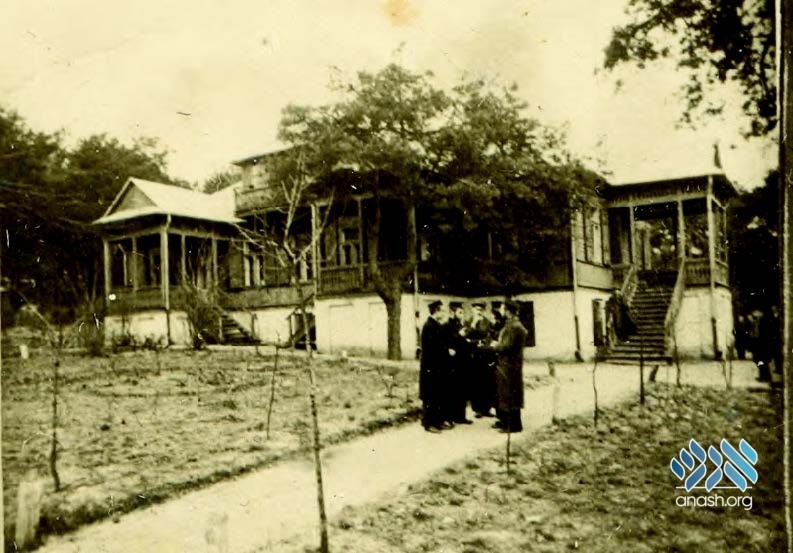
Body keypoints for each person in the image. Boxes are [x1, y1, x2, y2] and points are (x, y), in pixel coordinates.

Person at [488, 299, 528, 433]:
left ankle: (514, 426)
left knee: (510, 394)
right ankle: (505, 422)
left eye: (503, 308)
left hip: (510, 365)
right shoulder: (511, 324)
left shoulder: (514, 326)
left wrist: (495, 346)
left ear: (508, 311)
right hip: (507, 364)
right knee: (505, 393)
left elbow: (507, 346)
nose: (501, 311)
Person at [420, 300, 448, 432]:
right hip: (431, 367)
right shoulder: (429, 326)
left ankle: (437, 421)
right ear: (436, 311)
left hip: (437, 367)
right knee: (430, 396)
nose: (444, 313)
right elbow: (432, 348)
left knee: (438, 394)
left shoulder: (435, 325)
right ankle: (429, 424)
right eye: (442, 310)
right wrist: (446, 351)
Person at [444, 301, 473, 425]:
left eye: (462, 312)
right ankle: (452, 416)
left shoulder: (460, 324)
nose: (462, 314)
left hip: (463, 361)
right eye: (460, 312)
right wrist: (459, 335)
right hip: (454, 363)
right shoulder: (448, 325)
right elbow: (449, 342)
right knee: (454, 390)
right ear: (453, 312)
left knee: (462, 389)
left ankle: (461, 416)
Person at [466, 302, 495, 418]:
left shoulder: (487, 322)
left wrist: (485, 342)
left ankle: (486, 408)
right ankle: (477, 409)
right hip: (474, 355)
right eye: (476, 309)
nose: (479, 311)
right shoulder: (469, 321)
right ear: (473, 310)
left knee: (487, 382)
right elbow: (465, 336)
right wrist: (473, 325)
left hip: (485, 354)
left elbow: (490, 336)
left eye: (480, 309)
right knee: (476, 382)